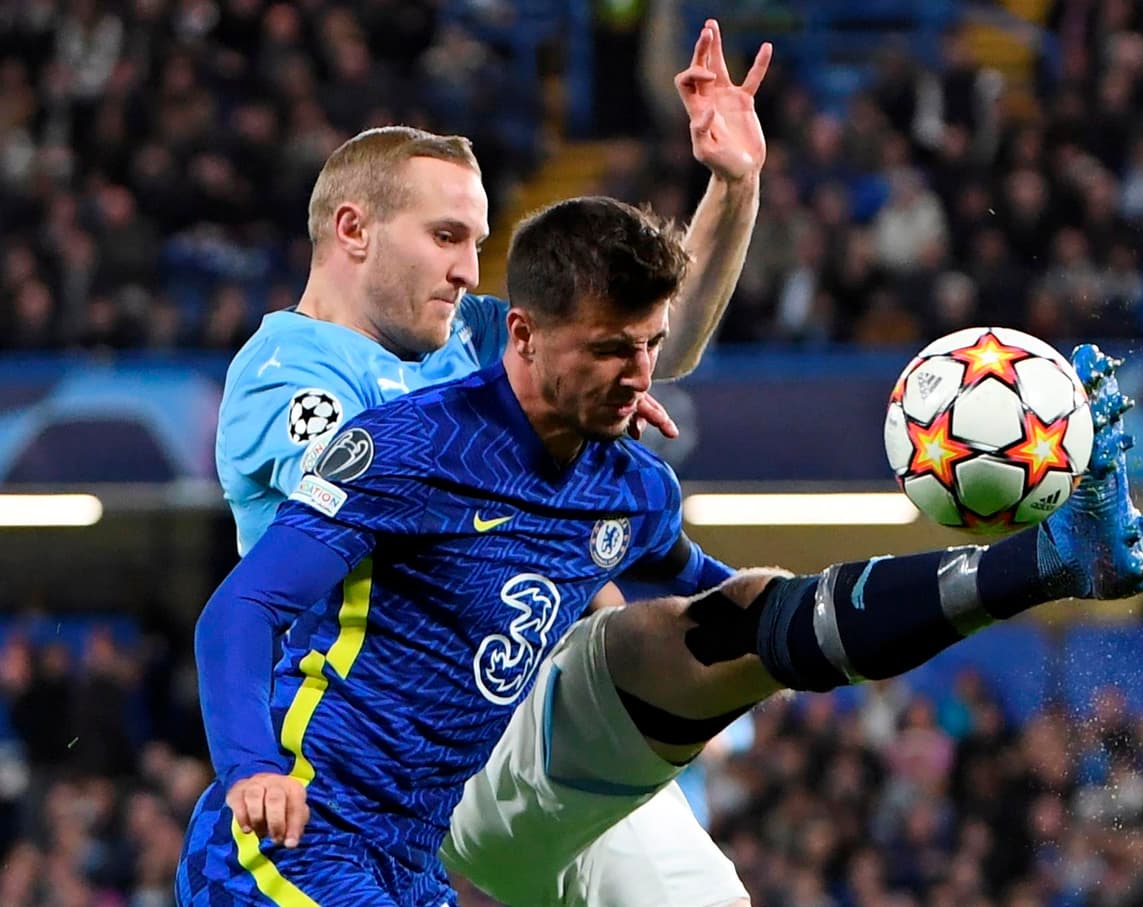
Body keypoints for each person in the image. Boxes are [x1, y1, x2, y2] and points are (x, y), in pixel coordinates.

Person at [180, 195, 1143, 907]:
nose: (639, 374)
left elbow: (742, 626)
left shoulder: (628, 486)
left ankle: (1047, 560)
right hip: (301, 834)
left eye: (647, 346)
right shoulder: (402, 445)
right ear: (520, 335)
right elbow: (242, 607)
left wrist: (734, 183)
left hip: (414, 857)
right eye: (611, 347)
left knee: (731, 620)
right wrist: (250, 769)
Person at [207, 19, 772, 906]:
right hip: (391, 742)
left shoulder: (473, 336)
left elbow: (669, 332)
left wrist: (733, 187)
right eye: (446, 237)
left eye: (476, 240)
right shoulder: (286, 376)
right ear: (353, 229)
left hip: (521, 699)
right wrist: (569, 431)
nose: (472, 268)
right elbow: (405, 490)